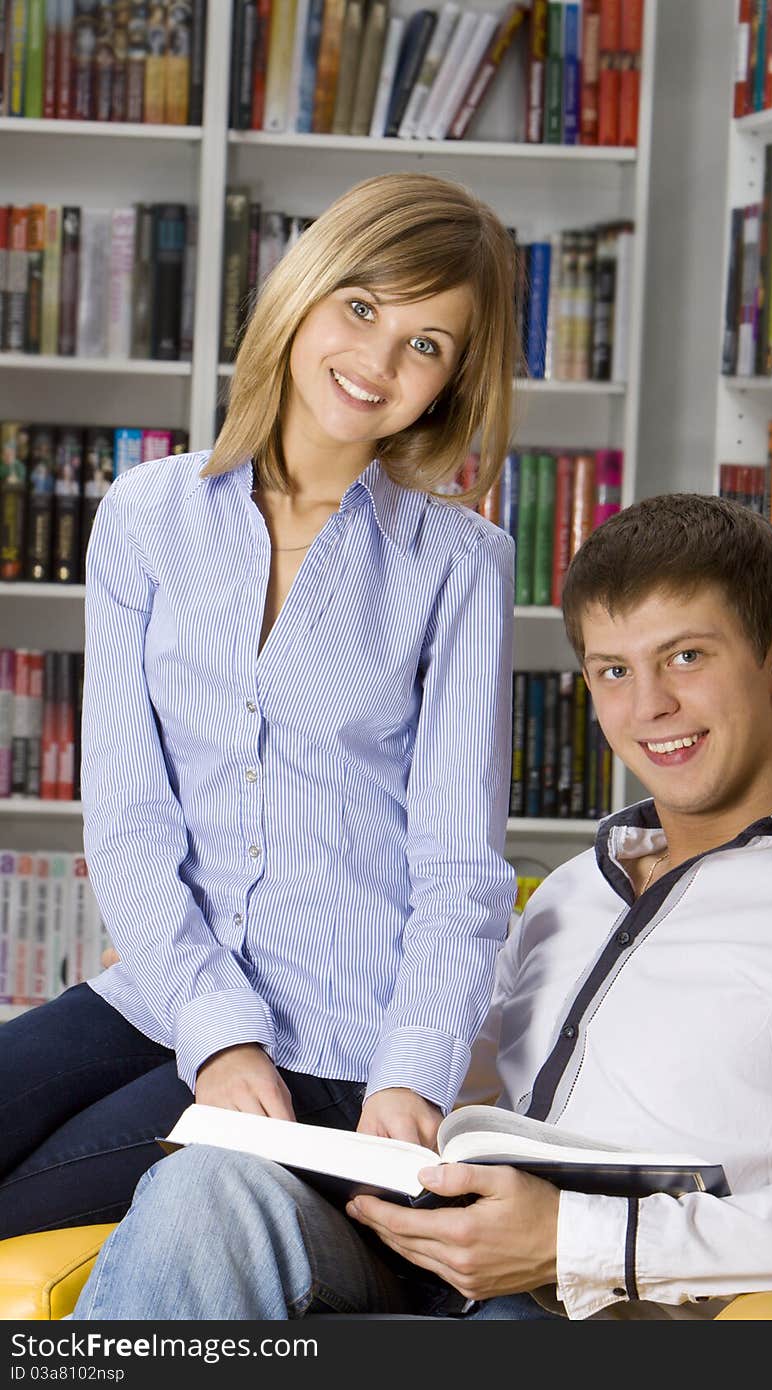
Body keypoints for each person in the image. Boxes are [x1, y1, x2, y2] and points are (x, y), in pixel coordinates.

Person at [70, 491, 772, 1321]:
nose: (648, 709)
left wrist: (578, 1238)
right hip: (426, 1260)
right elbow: (427, 1059)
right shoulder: (570, 894)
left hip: (597, 1310)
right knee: (209, 1188)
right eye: (613, 671)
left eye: (686, 658)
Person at [0, 172, 521, 1241]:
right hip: (158, 994)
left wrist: (411, 1070)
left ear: (452, 383)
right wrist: (214, 1032)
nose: (377, 362)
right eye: (364, 307)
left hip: (331, 1048)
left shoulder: (460, 562)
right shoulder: (147, 516)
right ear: (305, 292)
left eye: (426, 344)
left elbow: (459, 864)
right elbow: (133, 819)